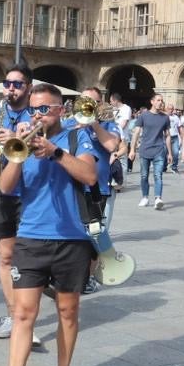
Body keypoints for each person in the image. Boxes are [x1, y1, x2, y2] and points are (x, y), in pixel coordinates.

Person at [0, 82, 97, 366]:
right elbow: (3, 188)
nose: (39, 114)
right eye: (34, 109)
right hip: (30, 236)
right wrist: (19, 151)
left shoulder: (76, 136)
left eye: (45, 109)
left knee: (67, 311)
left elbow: (89, 176)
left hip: (72, 237)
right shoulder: (24, 140)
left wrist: (56, 153)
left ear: (61, 109)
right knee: (23, 312)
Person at [0, 64, 43, 344]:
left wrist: (17, 140)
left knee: (27, 258)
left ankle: (27, 318)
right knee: (5, 256)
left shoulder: (37, 114)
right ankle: (13, 314)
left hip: (29, 191)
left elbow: (43, 153)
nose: (11, 88)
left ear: (28, 86)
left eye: (17, 84)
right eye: (7, 83)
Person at [68, 85, 123, 292]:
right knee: (71, 234)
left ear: (100, 104)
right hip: (72, 188)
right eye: (84, 101)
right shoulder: (69, 123)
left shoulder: (108, 124)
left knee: (95, 235)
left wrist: (94, 125)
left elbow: (112, 146)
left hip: (97, 188)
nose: (87, 105)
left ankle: (89, 277)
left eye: (92, 101)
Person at [129, 94, 172, 209]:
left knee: (158, 175)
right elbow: (136, 133)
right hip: (144, 150)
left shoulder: (165, 117)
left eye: (162, 100)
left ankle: (158, 198)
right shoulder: (144, 116)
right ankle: (145, 197)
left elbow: (167, 136)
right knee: (144, 175)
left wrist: (170, 153)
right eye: (158, 100)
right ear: (152, 101)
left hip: (159, 150)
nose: (160, 102)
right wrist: (132, 150)